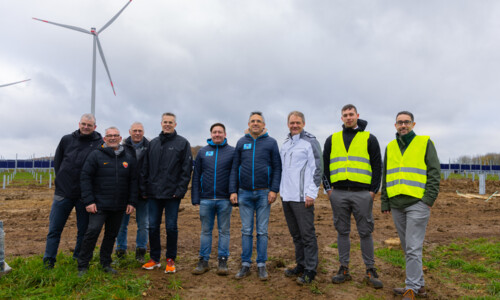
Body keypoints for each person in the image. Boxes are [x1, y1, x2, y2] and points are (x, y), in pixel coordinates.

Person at [322, 104, 383, 289]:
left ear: (357, 115)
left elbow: (377, 167)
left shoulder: (369, 139)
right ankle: (344, 268)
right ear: (341, 118)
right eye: (345, 115)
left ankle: (370, 269)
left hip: (362, 194)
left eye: (351, 114)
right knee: (342, 231)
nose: (348, 117)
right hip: (338, 193)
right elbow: (325, 167)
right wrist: (328, 190)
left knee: (365, 232)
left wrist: (373, 191)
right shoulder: (332, 139)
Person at [381, 111, 440, 300]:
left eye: (407, 122)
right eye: (400, 122)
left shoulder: (424, 143)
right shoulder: (390, 147)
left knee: (413, 247)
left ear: (413, 124)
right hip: (397, 204)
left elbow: (434, 171)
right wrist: (385, 201)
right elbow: (386, 174)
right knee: (408, 247)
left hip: (417, 204)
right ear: (395, 125)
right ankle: (420, 286)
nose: (403, 125)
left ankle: (411, 288)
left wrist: (428, 199)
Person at [43, 113, 103, 269]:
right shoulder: (67, 140)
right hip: (63, 193)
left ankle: (78, 258)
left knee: (83, 231)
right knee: (54, 229)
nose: (86, 127)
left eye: (89, 125)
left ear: (95, 127)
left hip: (85, 196)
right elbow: (58, 161)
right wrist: (61, 180)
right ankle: (49, 261)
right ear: (79, 124)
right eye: (83, 124)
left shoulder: (100, 144)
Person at [229, 111, 282, 281]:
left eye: (259, 121)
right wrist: (233, 190)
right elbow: (234, 167)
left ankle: (261, 264)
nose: (255, 123)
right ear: (249, 124)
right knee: (246, 230)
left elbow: (277, 168)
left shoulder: (271, 143)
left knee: (262, 231)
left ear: (264, 124)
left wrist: (274, 190)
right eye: (253, 121)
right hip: (244, 193)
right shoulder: (241, 142)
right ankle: (245, 264)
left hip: (264, 193)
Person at [77, 127, 137, 275]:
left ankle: (105, 263)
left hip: (118, 205)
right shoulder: (95, 155)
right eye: (109, 136)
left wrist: (131, 201)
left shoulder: (128, 157)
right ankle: (83, 265)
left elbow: (133, 181)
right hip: (99, 205)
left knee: (111, 235)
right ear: (104, 139)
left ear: (120, 137)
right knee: (92, 232)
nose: (112, 138)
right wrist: (89, 201)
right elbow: (85, 178)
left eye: (115, 135)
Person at [141, 113, 192, 273]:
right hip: (153, 194)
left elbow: (186, 170)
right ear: (161, 123)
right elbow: (145, 168)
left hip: (172, 195)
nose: (167, 124)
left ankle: (170, 259)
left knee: (171, 227)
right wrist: (144, 189)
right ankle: (154, 259)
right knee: (153, 227)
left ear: (175, 124)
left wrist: (180, 190)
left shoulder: (182, 143)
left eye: (171, 122)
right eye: (165, 122)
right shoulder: (153, 143)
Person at [280, 111, 322, 285]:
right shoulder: (285, 143)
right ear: (288, 124)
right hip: (287, 197)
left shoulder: (310, 142)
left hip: (302, 197)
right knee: (295, 234)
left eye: (298, 122)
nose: (294, 125)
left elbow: (317, 169)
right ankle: (301, 264)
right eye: (292, 123)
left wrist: (311, 193)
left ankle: (311, 270)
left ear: (303, 123)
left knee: (307, 235)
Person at [191, 123, 235, 276]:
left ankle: (222, 261)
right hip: (206, 199)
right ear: (211, 134)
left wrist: (233, 193)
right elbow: (196, 176)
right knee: (205, 231)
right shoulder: (203, 152)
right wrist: (196, 197)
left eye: (220, 132)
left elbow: (234, 175)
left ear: (225, 134)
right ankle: (203, 261)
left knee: (224, 231)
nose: (217, 134)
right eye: (214, 132)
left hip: (224, 200)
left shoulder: (232, 152)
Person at [115, 122, 150, 263]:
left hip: (143, 193)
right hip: (125, 193)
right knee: (122, 224)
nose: (137, 133)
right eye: (134, 130)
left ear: (143, 132)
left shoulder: (150, 147)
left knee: (143, 224)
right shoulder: (121, 148)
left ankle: (140, 252)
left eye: (140, 130)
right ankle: (120, 252)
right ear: (130, 131)